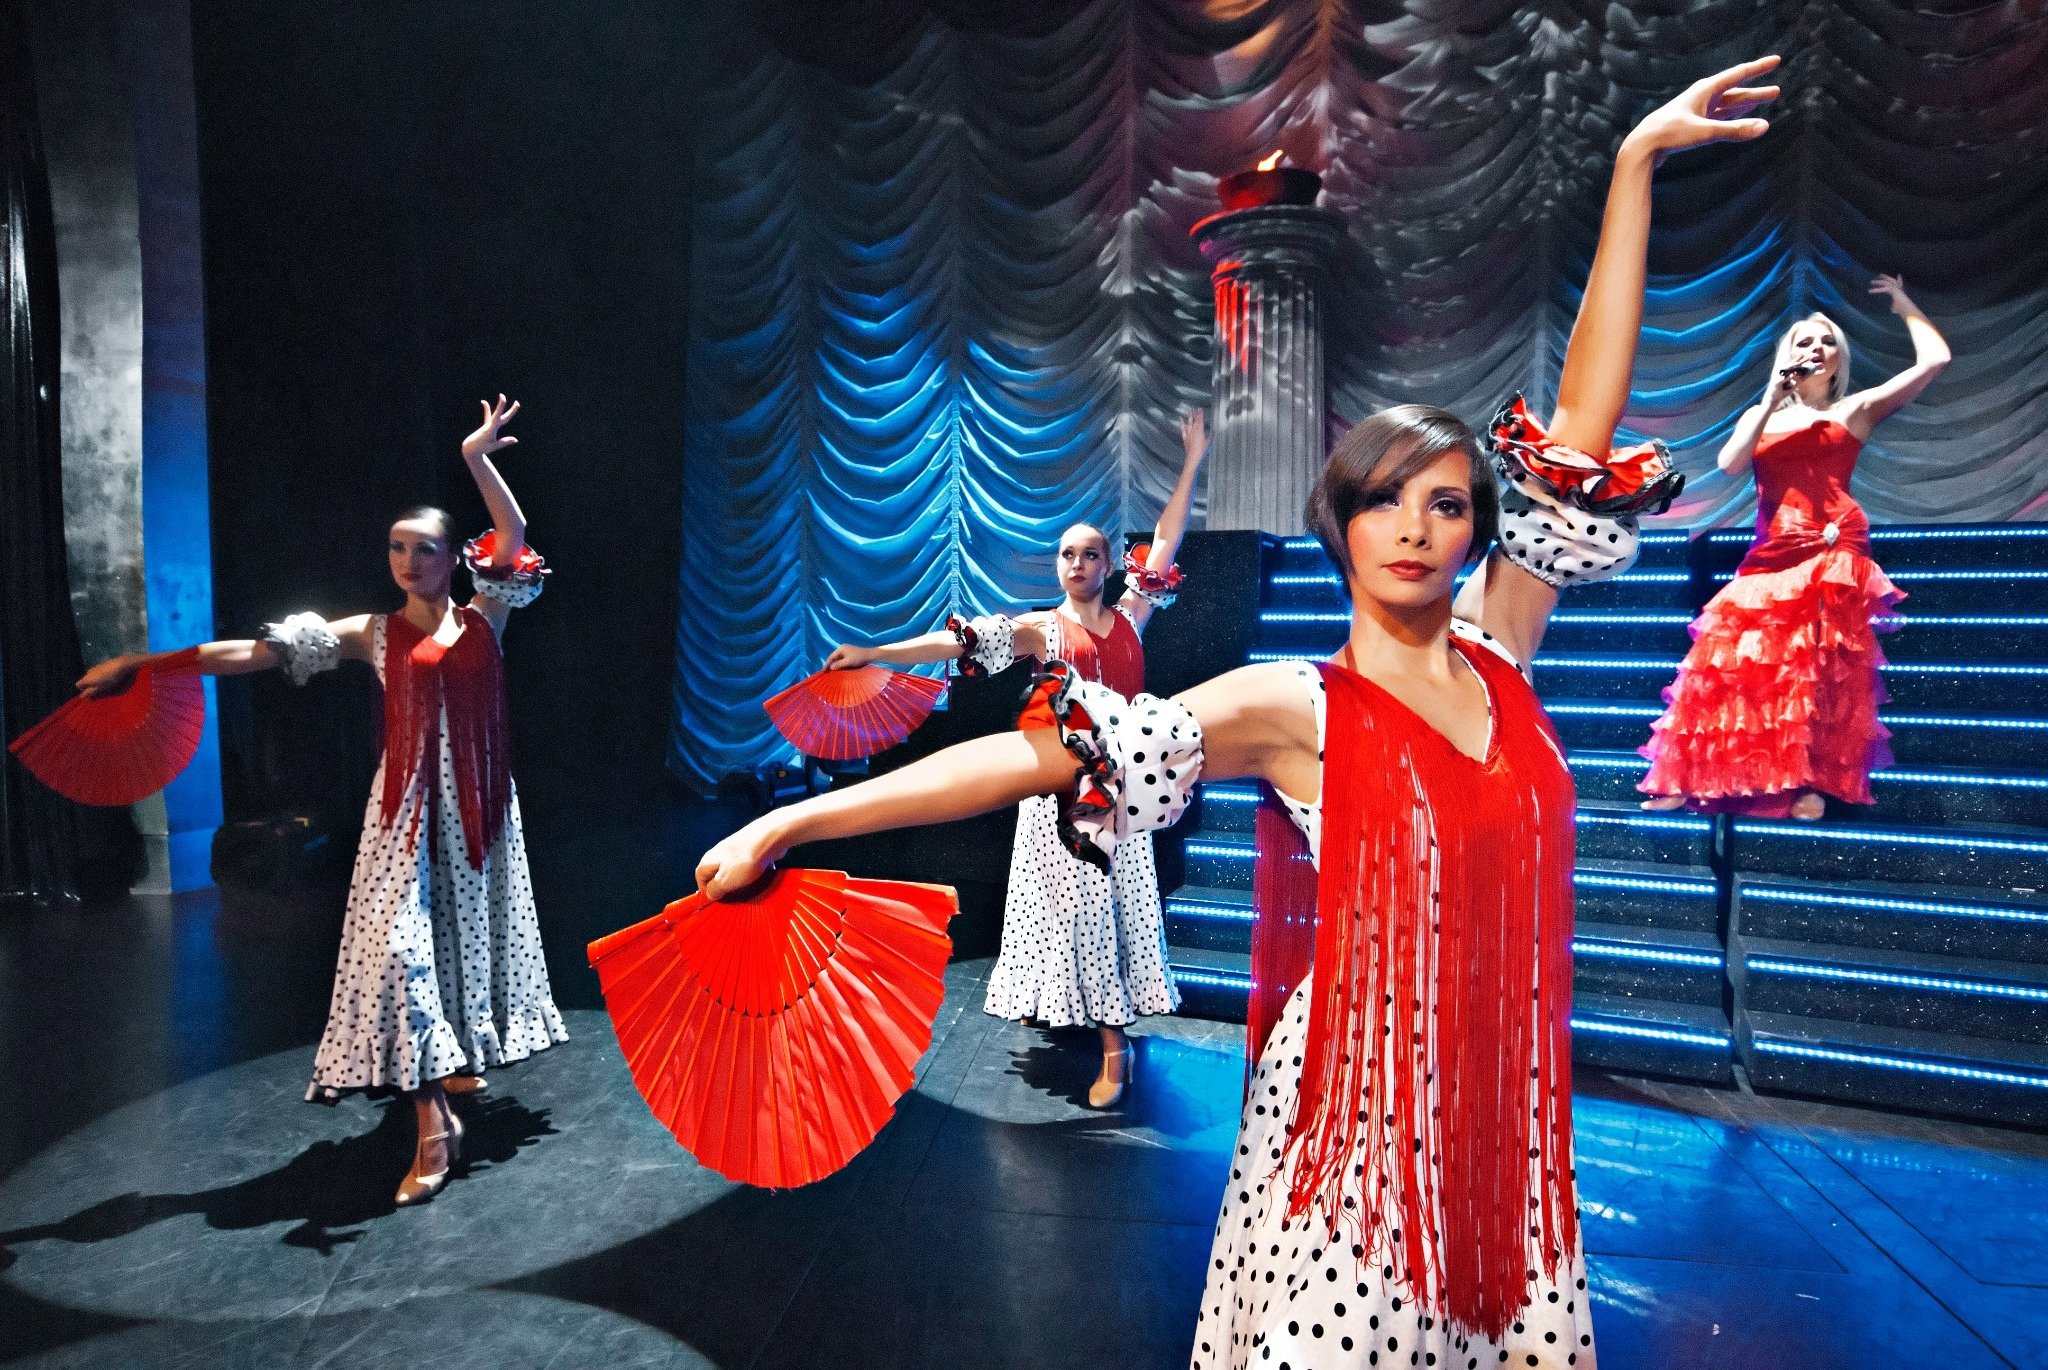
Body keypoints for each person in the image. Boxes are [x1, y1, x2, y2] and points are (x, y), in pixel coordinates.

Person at [694, 58, 1782, 1367]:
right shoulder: (1293, 699)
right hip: (1356, 1113)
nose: (1419, 527)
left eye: (1449, 503)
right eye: (1389, 499)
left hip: (1500, 1109)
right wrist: (801, 821)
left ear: (1482, 528)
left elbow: (1581, 414)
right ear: (1342, 524)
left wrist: (1632, 169)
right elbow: (1029, 750)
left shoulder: (1502, 651)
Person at [78, 395, 566, 1205]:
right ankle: (434, 1121)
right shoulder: (371, 631)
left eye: (426, 550)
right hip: (402, 817)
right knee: (400, 953)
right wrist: (148, 661)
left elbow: (511, 537)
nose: (408, 562)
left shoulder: (490, 615)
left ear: (455, 560)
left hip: (477, 812)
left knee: (456, 941)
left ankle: (450, 1062)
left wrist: (477, 458)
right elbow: (252, 651)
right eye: (396, 548)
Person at [820, 411, 1207, 1107]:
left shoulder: (1132, 617)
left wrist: (1191, 461)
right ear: (1057, 565)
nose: (1078, 564)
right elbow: (954, 646)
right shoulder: (1039, 629)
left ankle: (1114, 1045)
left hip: (1118, 792)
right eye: (1067, 555)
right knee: (1063, 911)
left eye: (1090, 554)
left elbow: (1169, 538)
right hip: (1052, 790)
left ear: (1110, 563)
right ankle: (1078, 1022)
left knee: (1107, 910)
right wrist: (876, 650)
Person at [1640, 275, 1951, 818]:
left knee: (1815, 669)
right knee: (1730, 662)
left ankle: (1810, 779)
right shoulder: (1762, 415)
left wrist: (1905, 305)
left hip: (1833, 546)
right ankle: (1691, 778)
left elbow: (1935, 362)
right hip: (1773, 549)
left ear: (1837, 359)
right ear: (1787, 355)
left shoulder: (1853, 410)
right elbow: (1730, 463)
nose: (1816, 349)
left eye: (1826, 342)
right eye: (1804, 341)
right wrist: (1770, 398)